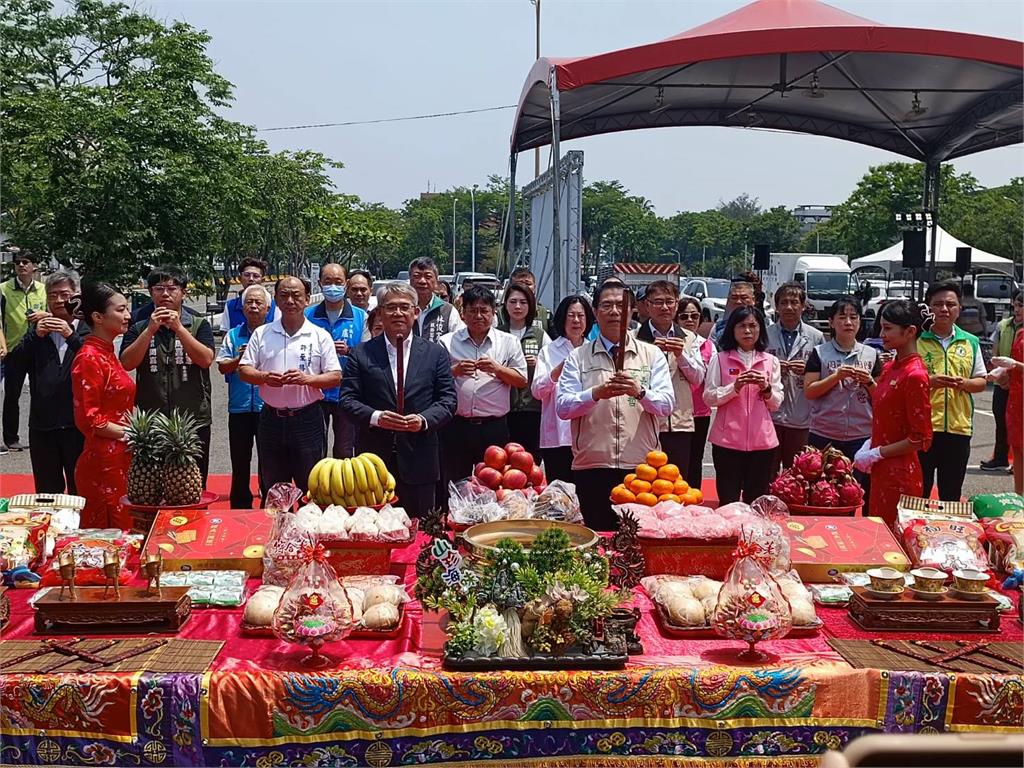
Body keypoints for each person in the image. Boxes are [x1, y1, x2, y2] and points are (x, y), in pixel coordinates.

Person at [556, 282, 674, 530]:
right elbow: (563, 407)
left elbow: (666, 405)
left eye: (621, 305)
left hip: (640, 469)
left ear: (632, 310)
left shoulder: (651, 355)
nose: (614, 312)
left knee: (637, 543)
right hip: (592, 465)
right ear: (596, 312)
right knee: (598, 540)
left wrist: (639, 392)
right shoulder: (578, 357)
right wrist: (595, 394)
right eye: (606, 305)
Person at [339, 283, 458, 518]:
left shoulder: (436, 354)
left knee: (421, 532)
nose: (398, 313)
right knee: (373, 532)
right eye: (391, 307)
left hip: (420, 458)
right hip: (373, 464)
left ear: (416, 312)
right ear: (380, 313)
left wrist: (423, 420)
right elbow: (347, 400)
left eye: (405, 307)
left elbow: (448, 400)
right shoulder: (361, 353)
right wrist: (377, 417)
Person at [239, 277, 342, 495]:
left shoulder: (320, 336)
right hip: (271, 419)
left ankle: (308, 529)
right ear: (276, 300)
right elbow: (244, 370)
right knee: (273, 487)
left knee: (312, 486)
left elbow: (335, 376)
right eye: (284, 295)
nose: (290, 300)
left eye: (296, 295)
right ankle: (277, 529)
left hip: (308, 418)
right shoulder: (262, 333)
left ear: (307, 300)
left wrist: (307, 379)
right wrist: (265, 377)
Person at [120, 266, 216, 485]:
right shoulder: (138, 327)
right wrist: (150, 330)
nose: (165, 294)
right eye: (159, 288)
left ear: (183, 292)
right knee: (151, 483)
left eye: (172, 288)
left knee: (192, 483)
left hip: (193, 419)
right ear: (150, 292)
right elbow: (127, 363)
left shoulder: (199, 324)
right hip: (152, 420)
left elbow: (206, 359)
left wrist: (179, 329)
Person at [853, 301, 933, 529]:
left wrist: (877, 452)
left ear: (909, 332)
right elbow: (885, 414)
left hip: (900, 473)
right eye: (881, 327)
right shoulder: (890, 367)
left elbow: (921, 438)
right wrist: (871, 444)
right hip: (881, 469)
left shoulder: (915, 375)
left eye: (888, 328)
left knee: (894, 539)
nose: (881, 334)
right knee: (878, 533)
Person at [439, 285, 528, 487]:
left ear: (493, 312)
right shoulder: (447, 342)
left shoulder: (508, 342)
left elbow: (522, 380)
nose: (478, 316)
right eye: (473, 311)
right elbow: (433, 379)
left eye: (484, 310)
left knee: (493, 485)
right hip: (456, 425)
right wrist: (455, 370)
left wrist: (497, 369)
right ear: (463, 314)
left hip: (493, 427)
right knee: (454, 483)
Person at [803, 298, 881, 509]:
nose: (848, 322)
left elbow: (881, 398)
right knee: (822, 494)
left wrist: (869, 382)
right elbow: (809, 391)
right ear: (831, 322)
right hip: (824, 433)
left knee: (856, 492)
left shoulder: (871, 354)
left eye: (853, 317)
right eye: (842, 317)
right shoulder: (820, 353)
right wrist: (835, 377)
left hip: (861, 435)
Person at [69, 283, 135, 529]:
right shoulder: (88, 358)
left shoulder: (106, 353)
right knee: (109, 536)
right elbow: (90, 419)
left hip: (120, 458)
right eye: (121, 310)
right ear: (98, 317)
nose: (127, 315)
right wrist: (133, 434)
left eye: (127, 309)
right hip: (103, 464)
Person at [16, 270, 87, 494]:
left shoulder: (88, 328)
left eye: (64, 295)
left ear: (76, 295)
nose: (58, 301)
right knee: (47, 494)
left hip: (79, 425)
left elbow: (98, 361)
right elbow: (16, 364)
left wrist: (70, 335)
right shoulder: (38, 329)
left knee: (81, 489)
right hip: (43, 424)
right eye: (52, 295)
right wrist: (34, 336)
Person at [704, 307, 783, 505]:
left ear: (760, 329)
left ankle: (754, 536)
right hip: (727, 442)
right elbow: (709, 398)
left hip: (762, 443)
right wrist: (735, 387)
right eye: (742, 326)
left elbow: (776, 403)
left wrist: (766, 388)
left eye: (752, 326)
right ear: (732, 330)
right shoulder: (720, 359)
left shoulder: (771, 361)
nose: (747, 331)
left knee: (756, 500)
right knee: (728, 500)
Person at [917, 281, 987, 501]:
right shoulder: (915, 340)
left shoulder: (971, 342)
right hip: (923, 429)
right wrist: (931, 381)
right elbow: (902, 381)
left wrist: (964, 384)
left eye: (950, 304)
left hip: (958, 429)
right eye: (937, 304)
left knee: (951, 495)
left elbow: (981, 381)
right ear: (928, 308)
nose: (944, 309)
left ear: (959, 309)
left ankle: (947, 536)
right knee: (919, 492)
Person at [635, 280, 706, 479]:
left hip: (680, 422)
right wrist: (651, 352)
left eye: (669, 301)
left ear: (677, 303)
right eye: (657, 302)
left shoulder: (689, 338)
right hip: (644, 421)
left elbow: (698, 378)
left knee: (676, 482)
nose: (664, 307)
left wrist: (681, 355)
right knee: (643, 482)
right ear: (647, 305)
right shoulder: (634, 338)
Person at [216, 284, 272, 509]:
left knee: (269, 461)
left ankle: (270, 505)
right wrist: (241, 359)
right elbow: (222, 367)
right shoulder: (233, 335)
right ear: (243, 307)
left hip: (267, 406)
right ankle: (239, 505)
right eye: (250, 302)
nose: (254, 306)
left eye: (259, 303)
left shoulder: (274, 335)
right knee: (240, 461)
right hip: (238, 408)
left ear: (268, 308)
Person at [305, 263, 367, 459]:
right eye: (328, 282)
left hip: (347, 393)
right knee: (314, 447)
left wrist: (349, 351)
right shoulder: (307, 316)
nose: (333, 287)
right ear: (319, 284)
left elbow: (369, 354)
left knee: (344, 449)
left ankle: (343, 488)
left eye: (338, 282)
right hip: (315, 393)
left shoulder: (360, 317)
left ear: (346, 284)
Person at [532, 295, 595, 484]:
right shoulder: (549, 350)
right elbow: (537, 391)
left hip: (589, 435)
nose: (576, 321)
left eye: (581, 316)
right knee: (559, 494)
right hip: (557, 436)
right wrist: (556, 372)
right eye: (571, 315)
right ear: (562, 318)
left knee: (587, 490)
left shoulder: (594, 350)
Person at [765, 282, 825, 471]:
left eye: (794, 302)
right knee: (768, 471)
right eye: (784, 302)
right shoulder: (765, 335)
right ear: (777, 306)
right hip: (770, 416)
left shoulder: (816, 337)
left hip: (802, 415)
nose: (789, 307)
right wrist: (773, 371)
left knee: (798, 473)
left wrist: (808, 372)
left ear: (803, 306)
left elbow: (825, 376)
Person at [1, 251, 47, 451]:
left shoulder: (44, 290)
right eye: (17, 262)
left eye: (25, 262)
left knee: (42, 392)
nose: (21, 265)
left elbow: (56, 311)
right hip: (14, 349)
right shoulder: (4, 289)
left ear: (34, 266)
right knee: (12, 396)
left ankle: (42, 433)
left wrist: (44, 314)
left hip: (39, 348)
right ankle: (11, 438)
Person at [497, 283, 548, 457]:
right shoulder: (497, 334)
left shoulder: (540, 335)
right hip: (504, 409)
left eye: (523, 302)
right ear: (505, 305)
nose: (517, 307)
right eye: (513, 302)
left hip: (532, 409)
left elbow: (551, 368)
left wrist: (538, 363)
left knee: (530, 461)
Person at [676, 296, 715, 490]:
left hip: (700, 412)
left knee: (696, 458)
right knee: (676, 460)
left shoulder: (708, 346)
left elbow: (711, 378)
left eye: (694, 315)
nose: (690, 320)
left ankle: (694, 496)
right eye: (684, 316)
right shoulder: (671, 342)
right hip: (676, 412)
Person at [982, 292, 1023, 472]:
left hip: (1020, 383)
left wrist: (1013, 368)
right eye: (1015, 306)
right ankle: (1000, 458)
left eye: (1021, 306)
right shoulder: (1003, 325)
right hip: (1003, 381)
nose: (1017, 310)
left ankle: (1019, 462)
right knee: (1002, 420)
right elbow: (995, 350)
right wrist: (998, 370)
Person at [990, 328, 1024, 494]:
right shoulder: (1020, 333)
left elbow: (1017, 364)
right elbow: (1014, 367)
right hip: (1017, 398)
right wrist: (1003, 373)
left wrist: (1016, 365)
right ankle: (1019, 497)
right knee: (1017, 447)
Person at [410, 257, 464, 342]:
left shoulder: (447, 311)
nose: (422, 281)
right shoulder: (402, 309)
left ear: (436, 281)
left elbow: (459, 341)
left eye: (428, 277)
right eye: (417, 276)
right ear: (410, 280)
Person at [221, 258, 278, 332]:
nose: (251, 279)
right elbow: (225, 336)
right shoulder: (230, 306)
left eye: (256, 276)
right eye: (247, 275)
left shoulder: (275, 306)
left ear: (262, 280)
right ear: (240, 278)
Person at [710, 280, 756, 344]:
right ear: (729, 300)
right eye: (734, 298)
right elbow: (711, 350)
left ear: (753, 300)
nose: (738, 302)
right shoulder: (718, 327)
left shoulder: (765, 325)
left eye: (744, 298)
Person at [510, 267, 551, 333]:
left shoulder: (546, 314)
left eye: (528, 284)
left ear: (534, 288)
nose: (524, 287)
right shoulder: (499, 315)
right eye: (520, 283)